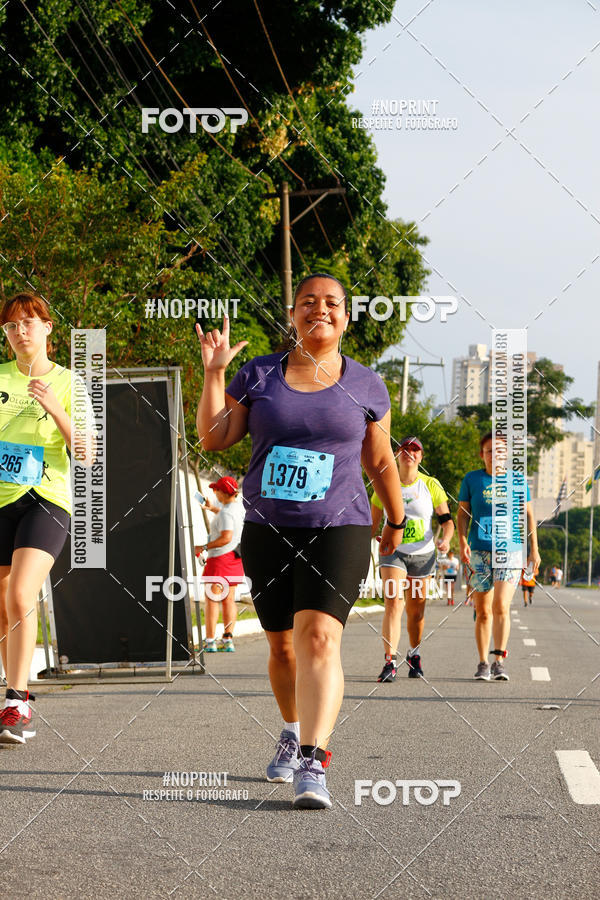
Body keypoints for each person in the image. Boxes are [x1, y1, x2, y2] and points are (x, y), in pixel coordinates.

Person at [195, 273, 405, 809]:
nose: (320, 310)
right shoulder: (258, 374)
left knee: (319, 639)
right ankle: (292, 729)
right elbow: (215, 436)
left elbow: (380, 461)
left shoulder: (366, 385)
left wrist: (395, 522)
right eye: (308, 302)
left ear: (346, 316)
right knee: (282, 645)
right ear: (293, 314)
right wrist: (214, 374)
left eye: (332, 303)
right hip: (269, 527)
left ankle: (313, 759)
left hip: (341, 525)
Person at [0, 293, 94, 744]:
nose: (21, 332)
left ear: (47, 329)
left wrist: (55, 408)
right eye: (12, 326)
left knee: (21, 593)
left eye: (29, 323)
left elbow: (89, 454)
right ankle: (10, 700)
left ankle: (18, 701)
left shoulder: (70, 382)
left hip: (46, 497)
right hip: (0, 499)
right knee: (4, 604)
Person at [458, 432, 541, 682]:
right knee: (483, 611)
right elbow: (462, 514)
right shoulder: (472, 480)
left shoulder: (517, 481)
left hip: (510, 551)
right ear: (482, 455)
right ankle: (483, 662)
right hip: (480, 551)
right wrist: (462, 541)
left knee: (501, 606)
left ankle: (499, 661)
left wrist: (533, 549)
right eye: (490, 450)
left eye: (501, 451)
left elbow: (528, 515)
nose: (496, 455)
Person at [370, 436, 454, 682]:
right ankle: (390, 661)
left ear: (421, 457)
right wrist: (370, 538)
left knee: (416, 612)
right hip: (392, 551)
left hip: (423, 555)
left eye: (415, 450)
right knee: (394, 604)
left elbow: (446, 521)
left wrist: (446, 539)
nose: (409, 453)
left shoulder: (430, 484)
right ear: (396, 454)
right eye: (404, 449)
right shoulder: (385, 482)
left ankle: (414, 654)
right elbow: (372, 522)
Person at [195, 476, 245, 652]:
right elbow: (228, 517)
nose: (214, 492)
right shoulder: (238, 508)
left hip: (220, 559)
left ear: (224, 492)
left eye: (216, 489)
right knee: (229, 600)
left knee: (212, 600)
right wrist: (212, 508)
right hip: (235, 558)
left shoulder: (226, 513)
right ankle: (228, 639)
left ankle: (210, 641)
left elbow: (226, 537)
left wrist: (202, 547)